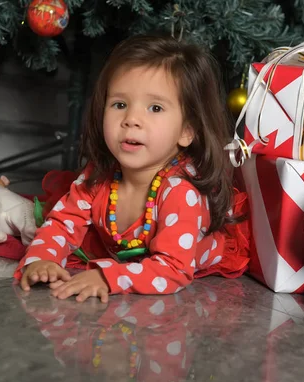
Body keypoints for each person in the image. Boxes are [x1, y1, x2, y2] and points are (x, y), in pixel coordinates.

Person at [15, 34, 250, 302]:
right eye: (120, 104)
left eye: (155, 107)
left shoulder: (181, 192)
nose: (131, 120)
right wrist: (42, 260)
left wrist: (107, 276)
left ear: (186, 131)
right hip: (133, 253)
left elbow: (174, 270)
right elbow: (61, 223)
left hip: (183, 259)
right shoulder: (100, 174)